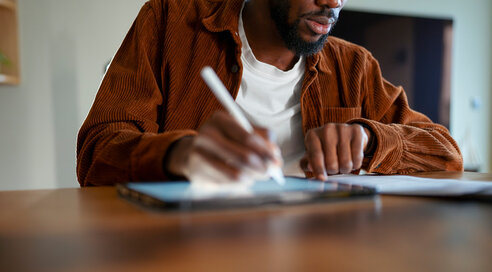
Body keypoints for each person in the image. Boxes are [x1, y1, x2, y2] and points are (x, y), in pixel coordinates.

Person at [77, 0, 463, 186]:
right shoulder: (171, 22)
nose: (333, 3)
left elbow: (446, 152)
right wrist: (178, 155)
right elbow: (97, 151)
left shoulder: (354, 66)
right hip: (189, 260)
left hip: (324, 263)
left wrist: (369, 138)